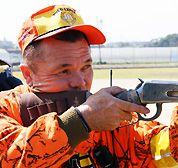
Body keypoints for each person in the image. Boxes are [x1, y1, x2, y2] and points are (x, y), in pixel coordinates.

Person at [0, 4, 178, 168]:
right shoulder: (7, 109)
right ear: (28, 75)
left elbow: (161, 150)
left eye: (86, 67)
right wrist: (82, 121)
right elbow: (9, 158)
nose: (80, 82)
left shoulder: (106, 116)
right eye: (64, 71)